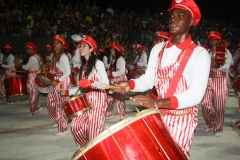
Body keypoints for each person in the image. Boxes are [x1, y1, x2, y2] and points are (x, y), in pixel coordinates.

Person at [115, 0, 210, 156]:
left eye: (180, 15)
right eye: (172, 16)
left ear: (192, 21)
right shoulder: (158, 49)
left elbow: (196, 95)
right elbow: (149, 79)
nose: (173, 19)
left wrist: (158, 102)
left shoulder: (199, 54)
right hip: (158, 115)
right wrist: (130, 84)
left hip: (182, 119)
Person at [60, 35, 109, 146]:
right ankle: (86, 149)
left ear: (91, 49)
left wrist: (91, 83)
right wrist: (67, 91)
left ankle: (92, 152)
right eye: (80, 46)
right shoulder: (84, 66)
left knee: (93, 134)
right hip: (85, 102)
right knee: (76, 126)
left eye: (84, 46)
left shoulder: (98, 64)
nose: (80, 48)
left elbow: (106, 84)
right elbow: (81, 87)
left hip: (98, 103)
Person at [201, 31, 233, 137]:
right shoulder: (207, 51)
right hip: (209, 79)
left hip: (220, 79)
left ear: (219, 40)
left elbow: (227, 66)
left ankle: (218, 128)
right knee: (205, 103)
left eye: (214, 39)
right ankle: (211, 123)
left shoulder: (225, 52)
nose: (212, 42)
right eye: (210, 40)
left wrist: (215, 65)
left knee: (219, 105)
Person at [46, 35, 71, 136]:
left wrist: (58, 80)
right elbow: (54, 70)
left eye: (57, 43)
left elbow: (68, 72)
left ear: (62, 45)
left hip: (63, 82)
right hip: (56, 81)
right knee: (50, 102)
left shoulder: (63, 56)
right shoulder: (54, 56)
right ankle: (58, 119)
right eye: (54, 42)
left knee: (61, 105)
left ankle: (63, 128)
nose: (55, 44)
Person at [106, 42, 128, 120]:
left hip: (120, 82)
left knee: (120, 100)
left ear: (116, 50)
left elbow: (122, 71)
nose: (111, 50)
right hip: (115, 83)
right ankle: (109, 113)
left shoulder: (121, 59)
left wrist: (111, 73)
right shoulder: (114, 59)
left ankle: (122, 117)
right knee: (110, 98)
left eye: (112, 49)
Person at [21, 42, 42, 116]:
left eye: (27, 48)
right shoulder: (37, 56)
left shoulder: (32, 58)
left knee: (32, 93)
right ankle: (36, 107)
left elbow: (26, 67)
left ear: (31, 49)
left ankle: (33, 110)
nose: (26, 50)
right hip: (36, 76)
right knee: (35, 93)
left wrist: (21, 65)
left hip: (32, 77)